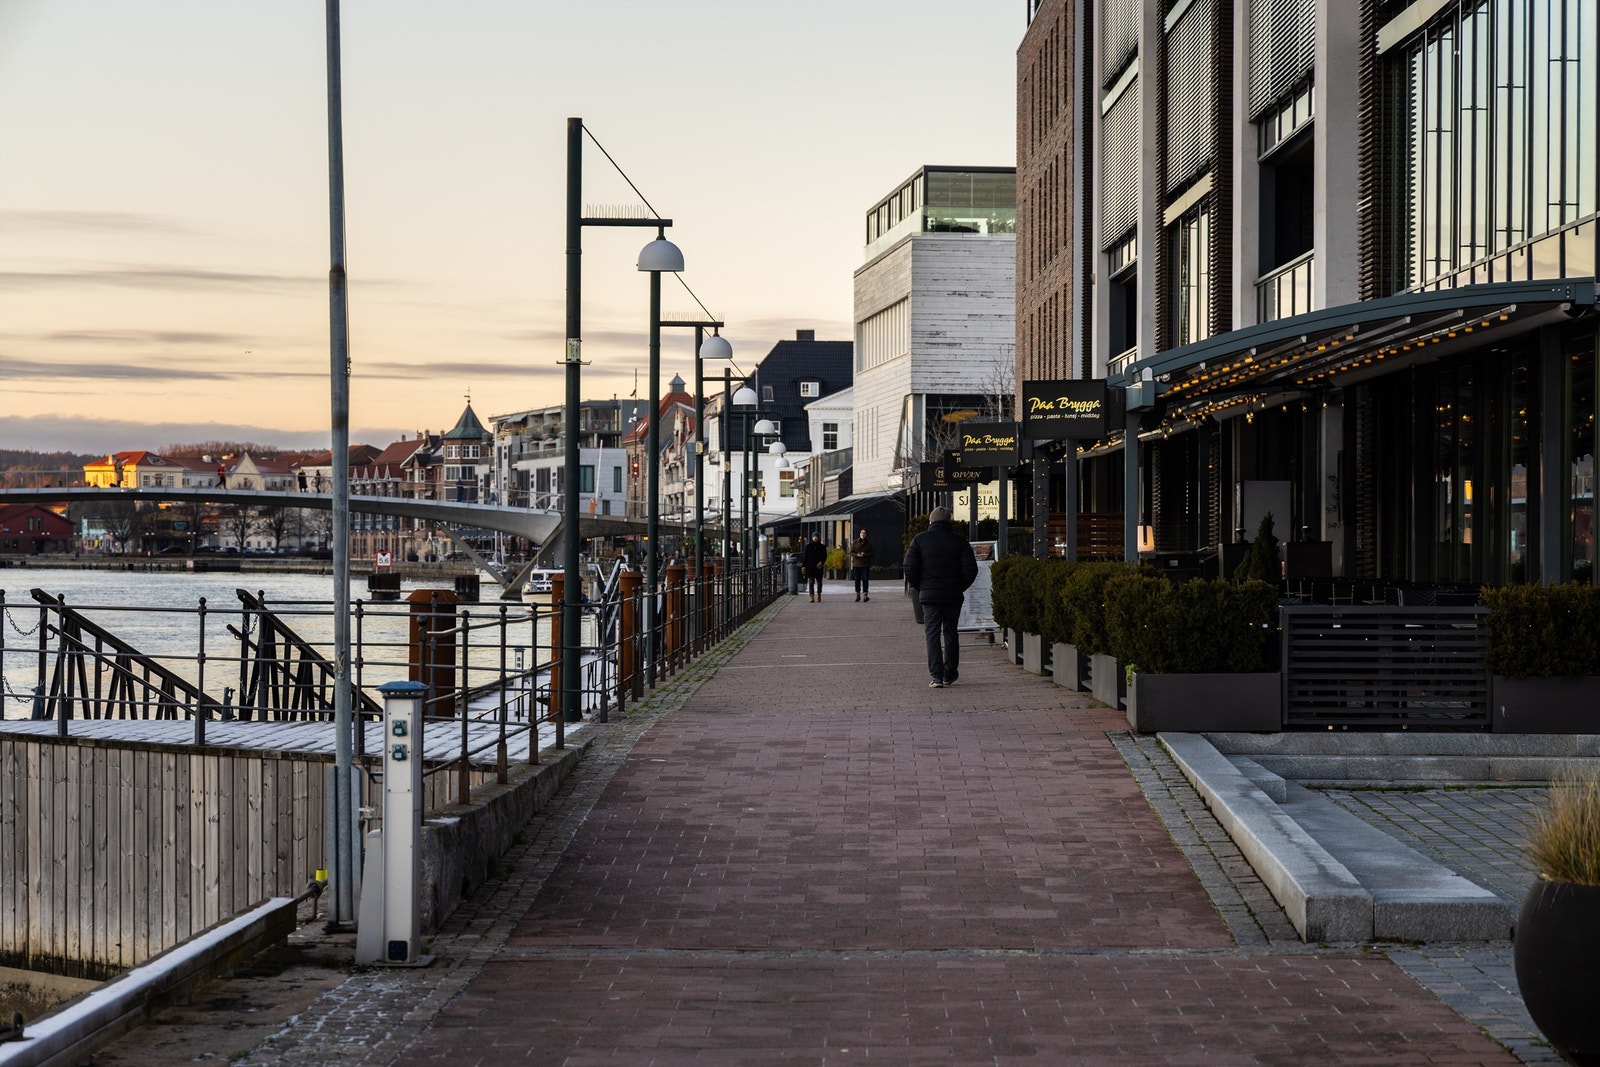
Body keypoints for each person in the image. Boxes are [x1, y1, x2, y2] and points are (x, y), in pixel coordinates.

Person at [902, 506, 978, 688]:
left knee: (932, 635)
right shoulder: (959, 541)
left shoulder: (920, 540)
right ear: (949, 521)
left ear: (931, 521)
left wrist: (920, 587)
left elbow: (909, 567)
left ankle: (936, 676)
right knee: (951, 633)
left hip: (929, 596)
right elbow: (971, 569)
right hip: (952, 595)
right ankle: (949, 673)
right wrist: (959, 586)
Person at [849, 527, 874, 602]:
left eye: (864, 533)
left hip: (865, 565)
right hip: (856, 565)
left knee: (865, 579)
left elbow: (872, 553)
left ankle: (865, 594)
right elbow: (850, 552)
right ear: (859, 534)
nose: (863, 534)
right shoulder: (855, 542)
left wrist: (865, 554)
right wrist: (857, 555)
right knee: (857, 580)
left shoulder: (869, 544)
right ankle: (857, 594)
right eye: (861, 532)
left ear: (866, 535)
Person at [801, 533, 827, 602]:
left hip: (819, 567)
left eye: (816, 537)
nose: (815, 538)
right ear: (812, 538)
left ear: (819, 537)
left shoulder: (822, 547)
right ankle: (811, 596)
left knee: (819, 582)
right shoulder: (808, 546)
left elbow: (824, 556)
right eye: (814, 537)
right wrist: (803, 566)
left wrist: (821, 562)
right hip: (810, 567)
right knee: (811, 581)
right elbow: (805, 557)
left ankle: (819, 594)